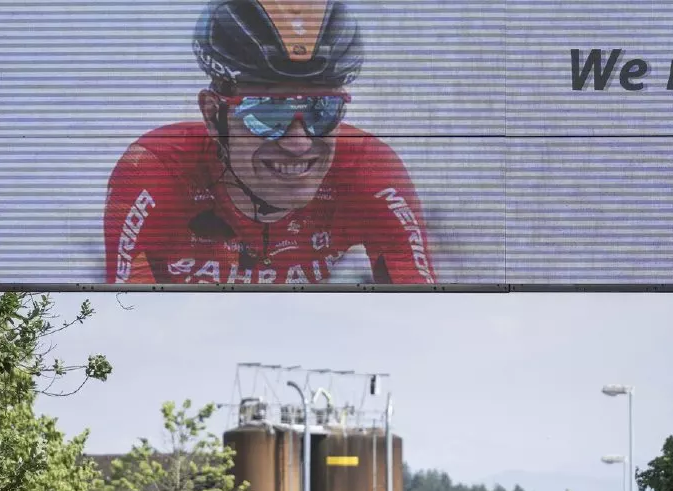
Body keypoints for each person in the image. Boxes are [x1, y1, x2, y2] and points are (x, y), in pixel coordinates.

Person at [104, 0, 436, 286]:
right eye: (267, 112)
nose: (299, 143)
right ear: (212, 113)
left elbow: (422, 317)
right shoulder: (155, 171)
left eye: (322, 110)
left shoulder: (368, 171)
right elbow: (124, 315)